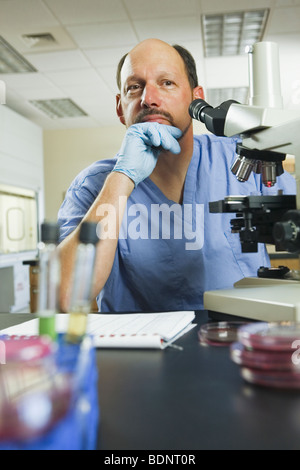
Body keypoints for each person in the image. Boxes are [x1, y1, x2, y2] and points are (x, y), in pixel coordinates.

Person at [57, 38, 296, 313]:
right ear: (120, 108)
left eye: (167, 83)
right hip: (140, 350)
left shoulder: (244, 159)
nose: (149, 99)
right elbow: (67, 296)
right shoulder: (93, 185)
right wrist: (122, 177)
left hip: (242, 337)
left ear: (197, 98)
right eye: (134, 87)